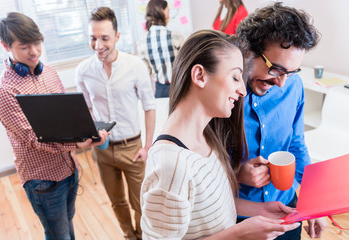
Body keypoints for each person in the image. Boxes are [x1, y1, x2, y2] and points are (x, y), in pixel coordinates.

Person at [140, 29, 300, 239]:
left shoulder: (207, 139)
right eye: (235, 77)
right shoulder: (172, 165)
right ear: (199, 76)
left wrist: (260, 210)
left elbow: (212, 205)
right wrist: (238, 234)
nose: (243, 91)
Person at [0, 12, 109, 239]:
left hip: (69, 168)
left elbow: (67, 118)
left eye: (37, 43)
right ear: (6, 46)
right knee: (58, 234)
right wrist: (79, 144)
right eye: (25, 47)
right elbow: (36, 140)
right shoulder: (4, 92)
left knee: (67, 226)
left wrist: (87, 132)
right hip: (43, 181)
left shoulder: (50, 72)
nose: (35, 52)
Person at [235, 2, 327, 239]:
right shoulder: (223, 94)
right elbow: (200, 166)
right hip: (236, 216)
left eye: (290, 72)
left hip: (286, 210)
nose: (282, 82)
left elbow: (296, 144)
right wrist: (235, 174)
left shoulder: (293, 87)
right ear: (246, 51)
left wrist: (312, 200)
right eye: (275, 69)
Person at [75, 7, 156, 240]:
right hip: (102, 149)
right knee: (117, 201)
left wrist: (147, 146)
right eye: (93, 38)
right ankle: (129, 236)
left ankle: (142, 236)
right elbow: (87, 110)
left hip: (133, 148)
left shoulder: (135, 66)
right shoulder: (83, 71)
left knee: (141, 202)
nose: (98, 44)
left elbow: (149, 107)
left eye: (104, 38)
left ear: (117, 36)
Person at [137, 0, 184, 98]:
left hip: (160, 92)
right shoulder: (176, 36)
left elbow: (146, 71)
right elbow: (186, 65)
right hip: (179, 88)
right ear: (163, 12)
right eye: (168, 11)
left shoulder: (142, 42)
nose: (169, 15)